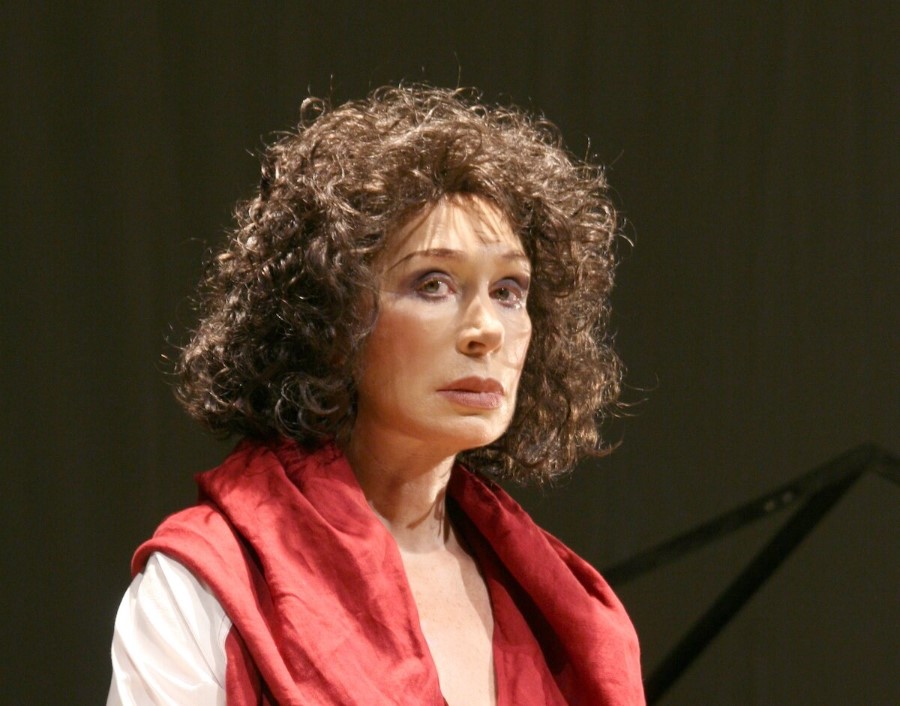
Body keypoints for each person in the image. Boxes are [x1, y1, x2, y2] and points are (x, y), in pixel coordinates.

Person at [107, 85, 644, 705]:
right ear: (330, 318)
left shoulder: (565, 612)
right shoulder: (205, 587)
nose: (487, 330)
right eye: (433, 284)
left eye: (508, 291)